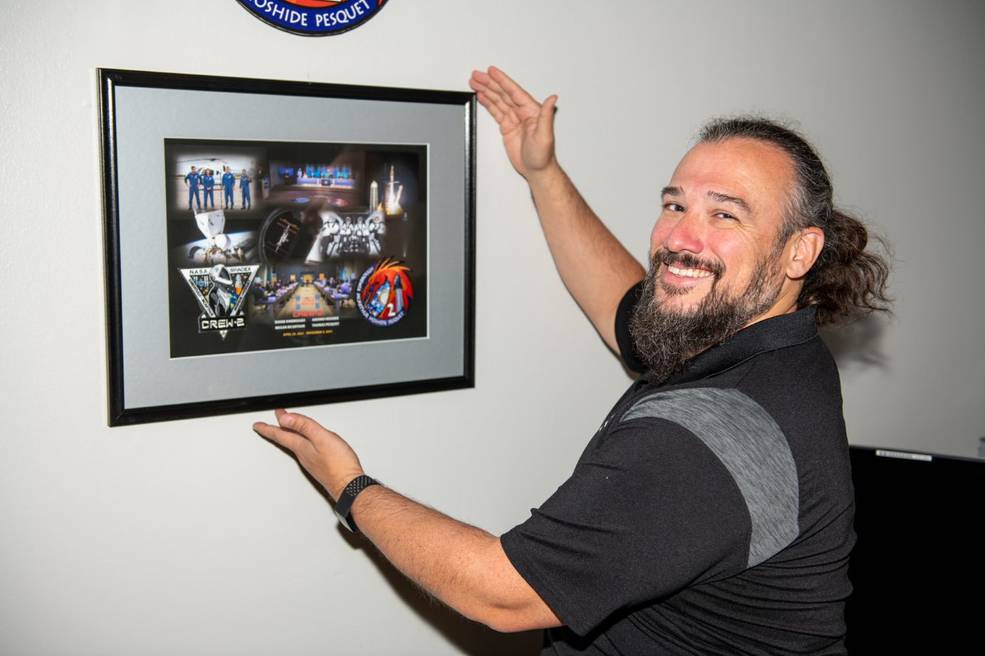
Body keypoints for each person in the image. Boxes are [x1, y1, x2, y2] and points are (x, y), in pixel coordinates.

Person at [253, 67, 889, 654]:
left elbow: (501, 592)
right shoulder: (768, 343)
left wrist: (348, 486)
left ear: (799, 252)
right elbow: (624, 309)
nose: (678, 239)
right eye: (675, 205)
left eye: (725, 214)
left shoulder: (709, 436)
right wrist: (543, 172)